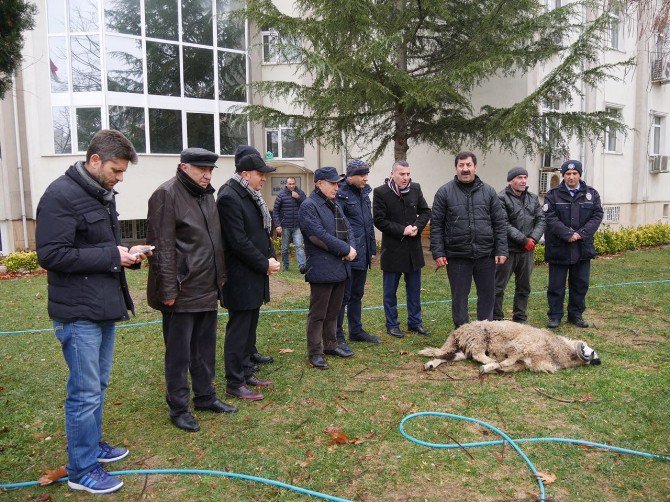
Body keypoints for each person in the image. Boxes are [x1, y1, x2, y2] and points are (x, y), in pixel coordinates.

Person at [35, 130, 148, 494]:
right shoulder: (60, 196)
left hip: (102, 305)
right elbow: (51, 255)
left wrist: (126, 253)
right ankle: (82, 470)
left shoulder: (100, 194)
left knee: (96, 385)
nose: (119, 177)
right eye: (116, 170)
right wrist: (111, 254)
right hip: (77, 312)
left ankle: (91, 443)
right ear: (95, 160)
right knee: (83, 392)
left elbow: (99, 247)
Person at [146, 147, 237, 433]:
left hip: (207, 287)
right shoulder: (166, 194)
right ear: (184, 167)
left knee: (204, 349)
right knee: (179, 353)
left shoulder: (207, 195)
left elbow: (214, 242)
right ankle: (179, 407)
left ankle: (206, 396)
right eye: (201, 169)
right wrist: (169, 290)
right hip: (181, 291)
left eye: (210, 170)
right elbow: (161, 247)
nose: (207, 174)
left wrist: (219, 279)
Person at [217, 145, 280, 400]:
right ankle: (234, 382)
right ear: (245, 174)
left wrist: (268, 257)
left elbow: (258, 234)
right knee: (238, 330)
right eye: (260, 173)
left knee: (249, 326)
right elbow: (238, 241)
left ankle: (245, 371)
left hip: (253, 274)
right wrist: (264, 263)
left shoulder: (249, 194)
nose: (263, 178)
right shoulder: (229, 196)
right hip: (240, 276)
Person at [430, 151, 508, 328]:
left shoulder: (489, 192)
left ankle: (485, 332)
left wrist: (501, 249)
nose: (465, 169)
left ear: (475, 167)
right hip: (457, 256)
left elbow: (499, 222)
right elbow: (436, 225)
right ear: (456, 168)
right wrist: (438, 252)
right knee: (459, 298)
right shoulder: (444, 192)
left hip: (486, 255)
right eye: (461, 165)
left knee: (487, 296)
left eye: (468, 165)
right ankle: (462, 334)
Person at [299, 166, 357, 369]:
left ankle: (331, 344)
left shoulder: (333, 204)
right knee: (318, 313)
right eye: (332, 183)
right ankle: (315, 351)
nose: (337, 186)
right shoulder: (309, 206)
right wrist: (344, 249)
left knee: (334, 311)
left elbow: (348, 228)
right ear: (319, 184)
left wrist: (352, 248)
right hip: (322, 268)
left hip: (340, 267)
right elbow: (318, 235)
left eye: (337, 183)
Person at [373, 160, 431, 338]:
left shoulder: (415, 188)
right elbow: (379, 220)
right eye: (401, 174)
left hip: (413, 252)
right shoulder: (381, 192)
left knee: (414, 290)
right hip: (393, 251)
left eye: (408, 174)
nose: (406, 178)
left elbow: (426, 211)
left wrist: (417, 226)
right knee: (390, 292)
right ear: (392, 174)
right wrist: (402, 230)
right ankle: (392, 324)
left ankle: (415, 322)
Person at [544, 159, 603, 328]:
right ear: (563, 175)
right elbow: (550, 218)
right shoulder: (553, 194)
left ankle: (576, 315)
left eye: (574, 173)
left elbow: (597, 215)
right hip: (559, 248)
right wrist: (568, 234)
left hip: (582, 248)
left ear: (579, 174)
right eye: (568, 174)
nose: (571, 177)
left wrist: (580, 234)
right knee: (556, 286)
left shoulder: (591, 194)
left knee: (580, 284)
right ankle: (555, 316)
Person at [335, 158, 380, 352]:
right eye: (362, 175)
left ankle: (356, 330)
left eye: (367, 174)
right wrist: (347, 250)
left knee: (357, 294)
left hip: (363, 253)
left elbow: (366, 223)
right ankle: (337, 335)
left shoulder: (364, 193)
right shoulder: (341, 194)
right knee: (342, 297)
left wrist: (372, 249)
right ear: (351, 176)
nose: (366, 178)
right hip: (349, 254)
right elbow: (340, 226)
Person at [493, 167, 546, 324]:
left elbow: (541, 219)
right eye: (519, 178)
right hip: (507, 250)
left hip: (526, 252)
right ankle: (496, 318)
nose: (523, 181)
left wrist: (533, 239)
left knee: (524, 287)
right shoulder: (500, 198)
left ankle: (520, 318)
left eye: (525, 177)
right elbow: (503, 223)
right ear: (511, 180)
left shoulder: (532, 198)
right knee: (498, 287)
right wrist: (524, 240)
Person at [273, 176, 307, 273]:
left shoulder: (300, 193)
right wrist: (277, 225)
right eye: (289, 184)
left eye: (293, 184)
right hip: (285, 226)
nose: (291, 186)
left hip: (297, 226)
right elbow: (275, 211)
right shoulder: (281, 195)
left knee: (299, 246)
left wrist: (298, 197)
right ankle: (285, 267)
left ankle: (302, 268)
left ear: (295, 184)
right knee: (284, 249)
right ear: (286, 184)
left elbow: (307, 205)